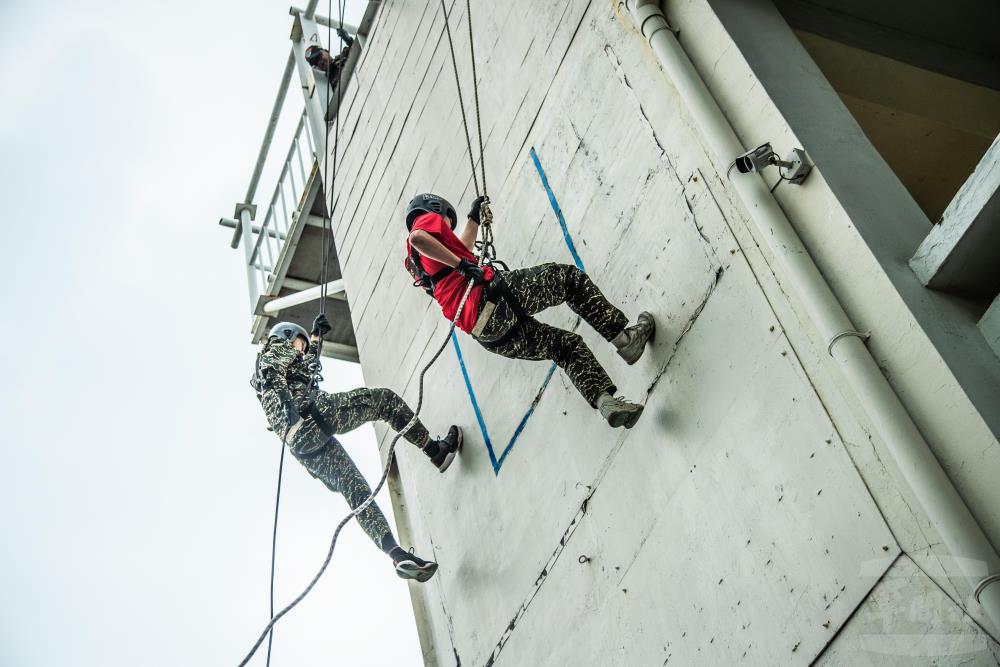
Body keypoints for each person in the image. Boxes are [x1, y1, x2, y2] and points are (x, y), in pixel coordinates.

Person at [403, 194, 655, 429]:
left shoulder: (426, 267)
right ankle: (625, 340)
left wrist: (473, 220)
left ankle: (606, 403)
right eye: (448, 220)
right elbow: (420, 238)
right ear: (435, 210)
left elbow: (461, 248)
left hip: (488, 334)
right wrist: (462, 266)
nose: (446, 225)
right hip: (491, 298)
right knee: (567, 280)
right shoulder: (424, 223)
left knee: (563, 347)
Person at [253, 316, 461, 582]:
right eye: (300, 343)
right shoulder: (275, 348)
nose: (302, 350)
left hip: (304, 448)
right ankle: (436, 451)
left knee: (357, 492)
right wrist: (288, 405)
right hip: (313, 414)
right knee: (384, 401)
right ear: (287, 335)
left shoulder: (278, 369)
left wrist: (316, 338)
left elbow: (304, 367)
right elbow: (274, 371)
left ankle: (397, 554)